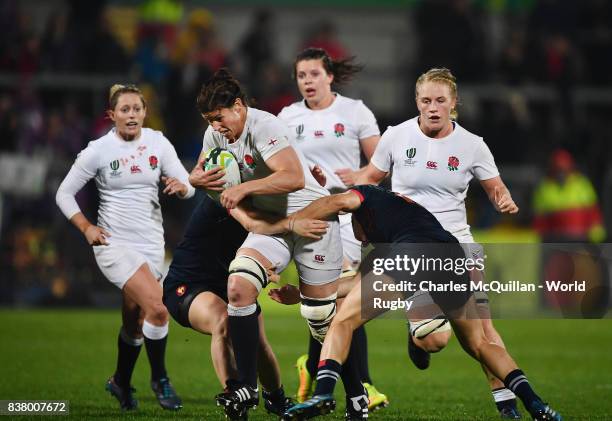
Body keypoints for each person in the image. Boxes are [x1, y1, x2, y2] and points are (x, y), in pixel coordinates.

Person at [281, 185, 562, 421]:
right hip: (452, 255)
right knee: (479, 343)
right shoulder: (398, 222)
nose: (359, 237)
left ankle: (323, 394)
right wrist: (306, 293)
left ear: (353, 215)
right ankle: (535, 403)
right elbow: (356, 285)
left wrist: (290, 224)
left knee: (343, 321)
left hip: (413, 253)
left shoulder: (365, 197)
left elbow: (335, 201)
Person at [355, 67, 523, 418]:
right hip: (408, 246)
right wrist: (341, 192)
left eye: (440, 100)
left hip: (457, 245)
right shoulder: (396, 136)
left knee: (483, 329)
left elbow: (496, 187)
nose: (433, 107)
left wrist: (503, 199)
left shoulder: (473, 145)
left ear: (454, 102)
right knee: (434, 340)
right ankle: (416, 334)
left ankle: (507, 405)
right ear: (416, 101)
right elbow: (369, 181)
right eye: (426, 100)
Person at [188, 69, 347, 419]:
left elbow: (293, 177)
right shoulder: (215, 136)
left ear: (239, 106)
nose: (215, 126)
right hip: (273, 223)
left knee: (321, 317)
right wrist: (193, 178)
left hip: (313, 217)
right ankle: (246, 386)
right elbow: (202, 172)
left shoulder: (265, 126)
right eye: (209, 120)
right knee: (239, 285)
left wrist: (245, 188)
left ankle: (354, 395)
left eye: (218, 118)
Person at [55, 84, 193, 411]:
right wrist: (86, 226)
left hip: (151, 244)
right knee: (158, 309)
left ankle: (119, 381)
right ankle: (160, 379)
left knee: (135, 323)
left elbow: (187, 184)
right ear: (112, 115)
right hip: (112, 243)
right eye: (125, 110)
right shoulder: (98, 150)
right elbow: (64, 193)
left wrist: (181, 187)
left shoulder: (158, 142)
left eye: (137, 109)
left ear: (145, 112)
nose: (132, 115)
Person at [278, 47, 387, 410]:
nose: (307, 81)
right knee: (328, 301)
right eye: (301, 75)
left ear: (329, 76)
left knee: (339, 300)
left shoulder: (354, 111)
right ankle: (349, 380)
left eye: (313, 74)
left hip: (346, 216)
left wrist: (358, 176)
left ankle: (327, 371)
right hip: (307, 215)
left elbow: (380, 162)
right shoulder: (287, 116)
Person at [162, 192, 324, 419]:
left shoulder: (267, 201)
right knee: (224, 321)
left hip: (230, 283)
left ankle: (276, 399)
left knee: (255, 341)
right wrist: (293, 223)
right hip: (188, 284)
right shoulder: (225, 194)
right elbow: (253, 224)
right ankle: (236, 395)